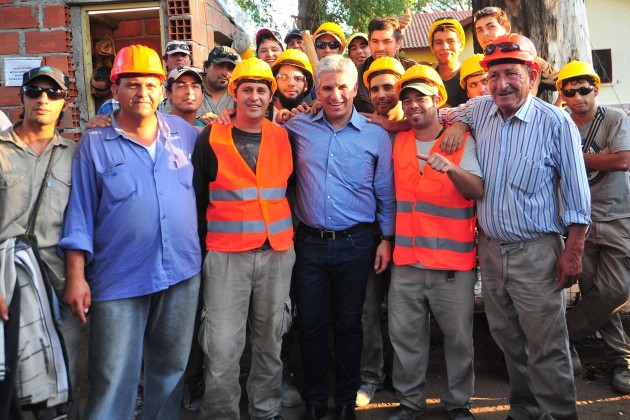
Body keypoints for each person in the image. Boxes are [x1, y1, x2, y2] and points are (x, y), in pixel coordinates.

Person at [444, 34, 591, 419]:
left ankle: (560, 414)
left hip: (537, 253)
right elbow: (439, 113)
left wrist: (573, 253)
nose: (501, 84)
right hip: (491, 251)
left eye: (511, 73)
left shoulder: (556, 122)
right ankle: (524, 411)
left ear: (531, 73)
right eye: (493, 76)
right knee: (508, 338)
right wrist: (455, 123)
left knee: (547, 345)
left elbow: (578, 196)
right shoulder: (480, 110)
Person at [60, 45, 201, 419]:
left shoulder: (185, 134)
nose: (143, 93)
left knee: (170, 371)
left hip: (180, 273)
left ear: (162, 90)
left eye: (151, 84)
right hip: (118, 279)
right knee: (113, 377)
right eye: (132, 84)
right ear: (115, 89)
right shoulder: (95, 143)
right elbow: (80, 214)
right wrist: (76, 276)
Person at [283, 55, 396, 420]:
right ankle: (316, 400)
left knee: (351, 324)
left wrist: (387, 238)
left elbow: (385, 192)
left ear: (355, 89)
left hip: (357, 244)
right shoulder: (297, 129)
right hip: (310, 244)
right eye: (327, 88)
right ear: (317, 90)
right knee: (312, 325)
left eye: (343, 87)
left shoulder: (376, 135)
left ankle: (346, 400)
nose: (335, 95)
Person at [192, 57, 295, 420]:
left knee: (270, 341)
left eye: (261, 90)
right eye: (246, 89)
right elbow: (199, 196)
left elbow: (290, 190)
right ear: (233, 93)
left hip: (277, 254)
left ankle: (266, 411)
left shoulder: (284, 136)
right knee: (221, 347)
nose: (254, 97)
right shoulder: (210, 136)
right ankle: (221, 414)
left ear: (271, 96)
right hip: (226, 257)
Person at [387, 64, 482, 420]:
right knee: (406, 339)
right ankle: (410, 403)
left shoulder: (462, 140)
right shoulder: (399, 142)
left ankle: (459, 405)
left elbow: (478, 190)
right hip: (407, 262)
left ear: (438, 100)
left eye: (420, 98)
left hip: (451, 267)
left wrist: (452, 169)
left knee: (459, 341)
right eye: (406, 99)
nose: (413, 105)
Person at [0, 65, 81, 420]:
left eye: (54, 93)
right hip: (7, 284)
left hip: (60, 283)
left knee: (66, 377)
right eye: (34, 91)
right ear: (22, 96)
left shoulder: (76, 154)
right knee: (13, 384)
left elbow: (84, 220)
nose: (43, 99)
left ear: (65, 101)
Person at [557, 60, 630, 394]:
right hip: (578, 221)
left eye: (583, 89)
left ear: (595, 89)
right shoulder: (561, 124)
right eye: (569, 91)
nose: (577, 97)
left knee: (615, 290)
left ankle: (557, 338)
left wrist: (574, 157)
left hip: (617, 217)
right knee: (594, 292)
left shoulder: (614, 118)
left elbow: (622, 159)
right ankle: (620, 359)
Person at [354, 56, 405, 408]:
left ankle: (407, 381)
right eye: (375, 88)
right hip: (377, 236)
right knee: (369, 309)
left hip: (418, 237)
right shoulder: (366, 127)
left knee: (406, 313)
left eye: (390, 87)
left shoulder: (427, 120)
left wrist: (396, 127)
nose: (383, 94)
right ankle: (370, 377)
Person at [473, 6, 558, 99]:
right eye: (479, 30)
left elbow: (566, 81)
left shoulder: (530, 61)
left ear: (507, 28)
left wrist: (557, 107)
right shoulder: (475, 66)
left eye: (491, 27)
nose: (485, 33)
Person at [355, 16, 417, 114]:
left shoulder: (412, 69)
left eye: (386, 42)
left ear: (398, 43)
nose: (380, 48)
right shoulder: (356, 73)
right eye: (375, 42)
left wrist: (390, 124)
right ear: (369, 44)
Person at [428, 17, 467, 107]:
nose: (445, 47)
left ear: (460, 45)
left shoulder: (471, 75)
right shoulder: (427, 78)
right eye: (439, 42)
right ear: (432, 48)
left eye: (451, 41)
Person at [198, 46, 239, 122]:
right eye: (219, 66)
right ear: (206, 67)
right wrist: (196, 120)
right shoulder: (191, 87)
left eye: (230, 68)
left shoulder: (237, 92)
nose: (225, 73)